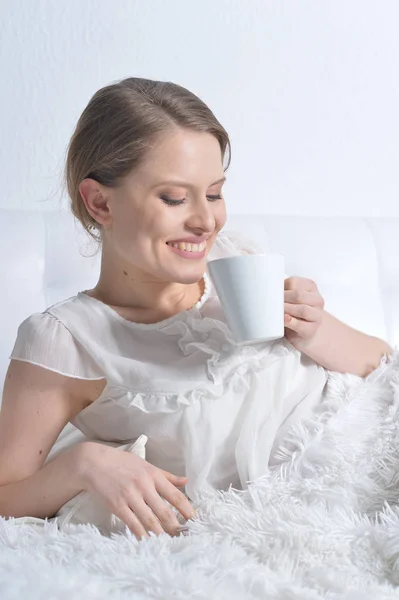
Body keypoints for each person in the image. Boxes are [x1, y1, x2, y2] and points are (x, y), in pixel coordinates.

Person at [0, 77, 392, 541]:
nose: (205, 221)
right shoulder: (64, 339)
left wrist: (315, 329)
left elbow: (381, 366)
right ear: (100, 202)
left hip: (375, 450)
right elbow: (7, 492)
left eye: (213, 193)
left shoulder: (234, 258)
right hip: (312, 521)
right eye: (174, 198)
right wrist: (84, 464)